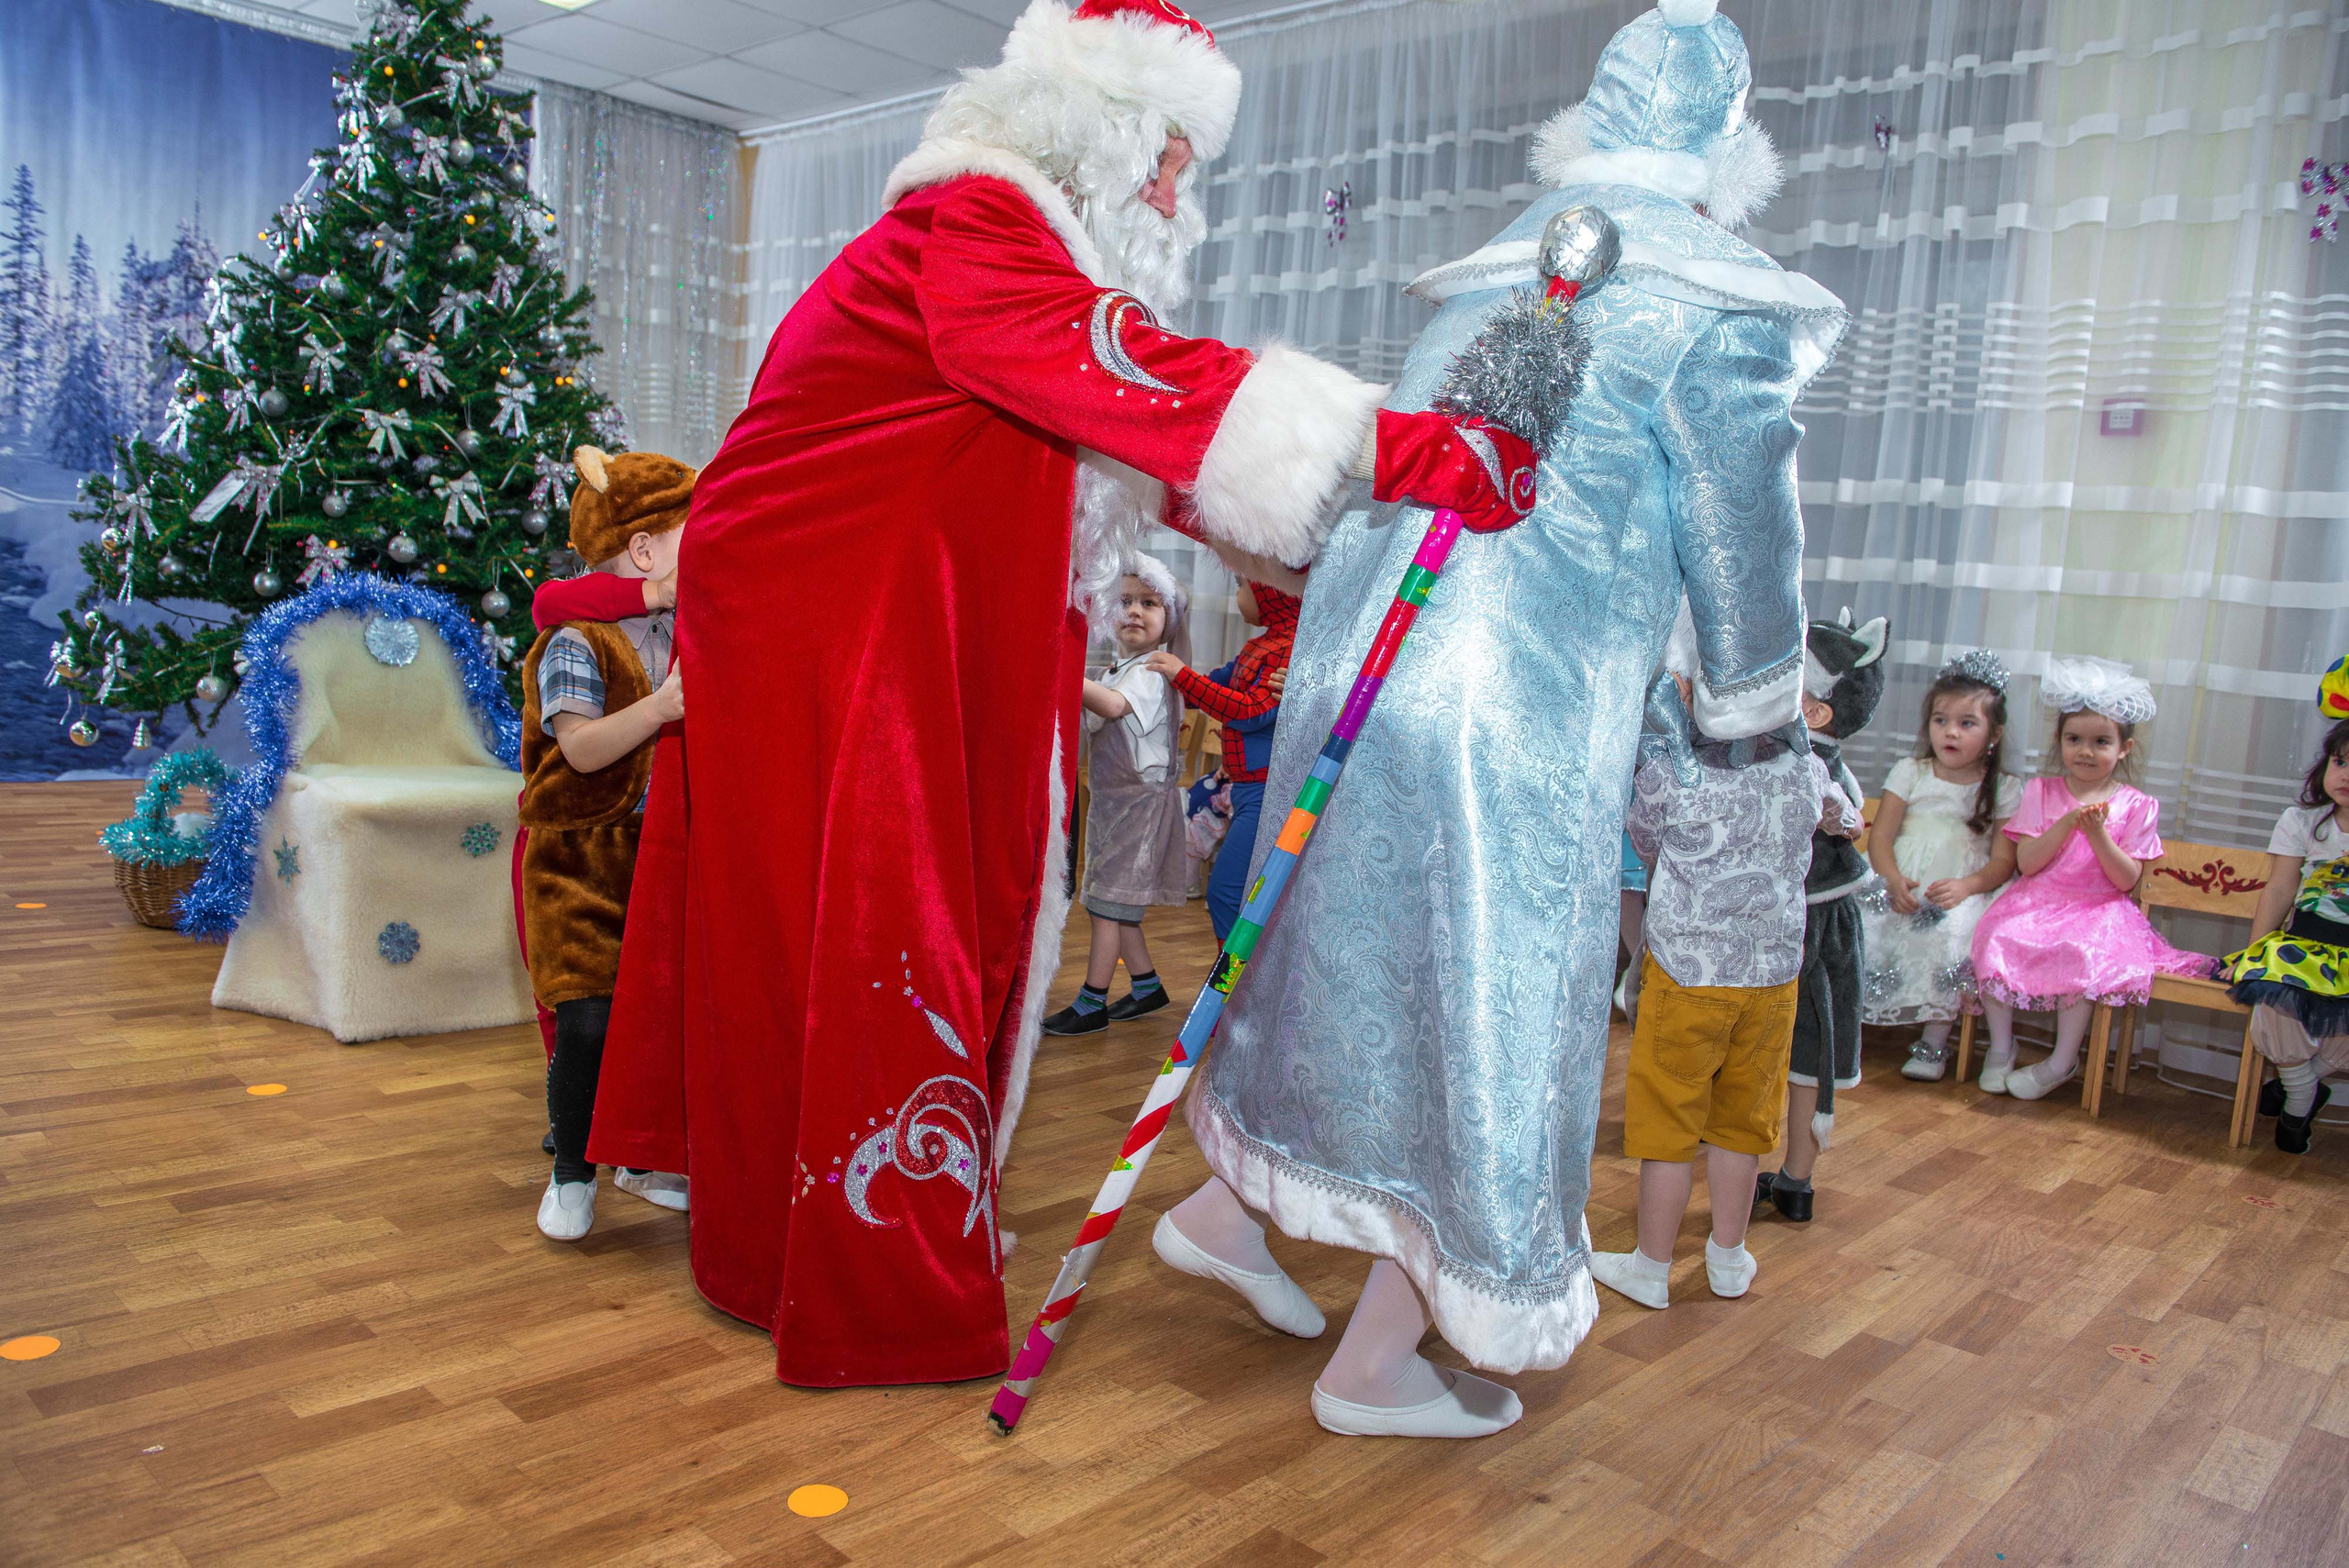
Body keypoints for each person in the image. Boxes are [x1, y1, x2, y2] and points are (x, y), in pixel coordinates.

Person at [584, 0, 1530, 1389]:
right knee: (890, 920)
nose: (1175, 197)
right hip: (847, 635)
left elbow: (1124, 447)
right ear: (1097, 128)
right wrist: (1411, 448)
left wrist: (1321, 524)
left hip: (848, 619)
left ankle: (814, 1236)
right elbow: (1133, 377)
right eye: (1165, 159)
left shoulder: (992, 252)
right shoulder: (978, 225)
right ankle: (872, 1274)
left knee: (849, 925)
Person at [1159, 0, 1846, 1438]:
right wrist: (1751, 709)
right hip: (1510, 706)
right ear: (1730, 147)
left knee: (1340, 956)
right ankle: (1379, 1361)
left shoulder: (1502, 276)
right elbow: (1743, 539)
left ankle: (1231, 1213)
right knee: (1491, 1009)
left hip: (1360, 662)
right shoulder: (1710, 309)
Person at [1595, 648, 1862, 1309]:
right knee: (1742, 1124)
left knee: (1668, 1125)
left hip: (1686, 975)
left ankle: (1652, 1268)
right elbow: (1846, 818)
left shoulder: (1670, 773)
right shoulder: (1806, 769)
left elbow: (1645, 842)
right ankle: (1727, 1256)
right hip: (1771, 979)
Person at [516, 447, 694, 1240]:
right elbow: (582, 750)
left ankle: (640, 1154)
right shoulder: (575, 637)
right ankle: (571, 1172)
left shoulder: (680, 629)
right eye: (698, 529)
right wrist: (662, 709)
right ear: (648, 549)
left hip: (658, 855)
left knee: (655, 1014)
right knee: (586, 1015)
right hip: (578, 858)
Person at [1967, 657, 2211, 1100]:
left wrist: (2097, 833)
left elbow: (2125, 880)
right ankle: (2001, 1048)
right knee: (1996, 935)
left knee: (2080, 956)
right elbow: (2028, 862)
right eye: (2074, 739)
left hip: (2097, 909)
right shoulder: (2041, 791)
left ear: (2124, 749)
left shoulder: (2137, 805)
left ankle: (2062, 1061)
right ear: (2059, 741)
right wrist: (2066, 824)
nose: (2085, 750)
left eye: (2101, 741)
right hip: (2036, 899)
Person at [1752, 610, 1887, 1226]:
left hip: (1812, 927)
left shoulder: (1811, 766)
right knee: (1789, 1054)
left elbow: (1839, 816)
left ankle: (1793, 1176)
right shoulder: (1806, 759)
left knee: (1806, 1054)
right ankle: (1790, 1178)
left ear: (1817, 711)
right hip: (1801, 921)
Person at [1045, 557, 1190, 1034]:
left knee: (1109, 903)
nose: (1133, 611)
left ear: (1169, 619)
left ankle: (1092, 1003)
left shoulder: (1151, 672)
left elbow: (1109, 707)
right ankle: (1147, 986)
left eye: (1148, 603)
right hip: (1114, 802)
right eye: (1124, 601)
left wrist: (1064, 668)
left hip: (1141, 807)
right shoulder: (1117, 669)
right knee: (1111, 899)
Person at [1863, 651, 2021, 1083]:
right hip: (1899, 877)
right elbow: (1880, 837)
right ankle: (1848, 1028)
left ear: (1994, 733)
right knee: (1862, 923)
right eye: (1940, 720)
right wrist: (1891, 879)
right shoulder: (1910, 771)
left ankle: (1933, 1043)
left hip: (1960, 887)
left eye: (1967, 723)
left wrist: (1968, 887)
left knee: (1951, 935)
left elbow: (2004, 860)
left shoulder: (2005, 788)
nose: (1950, 732)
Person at [2224, 687, 2349, 1153]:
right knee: (2275, 1010)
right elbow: (2278, 888)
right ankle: (2299, 1106)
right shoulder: (2302, 822)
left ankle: (2295, 1090)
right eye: (2340, 762)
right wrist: (2253, 952)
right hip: (2302, 946)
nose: (2347, 775)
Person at [1152, 578, 1296, 941]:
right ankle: (1233, 991)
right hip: (1245, 790)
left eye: (1241, 586)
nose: (1237, 595)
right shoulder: (1259, 646)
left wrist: (1181, 675)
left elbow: (1250, 712)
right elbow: (1208, 691)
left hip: (1264, 793)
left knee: (1226, 895)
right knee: (1232, 895)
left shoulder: (1291, 648)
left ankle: (1233, 990)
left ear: (1271, 591)